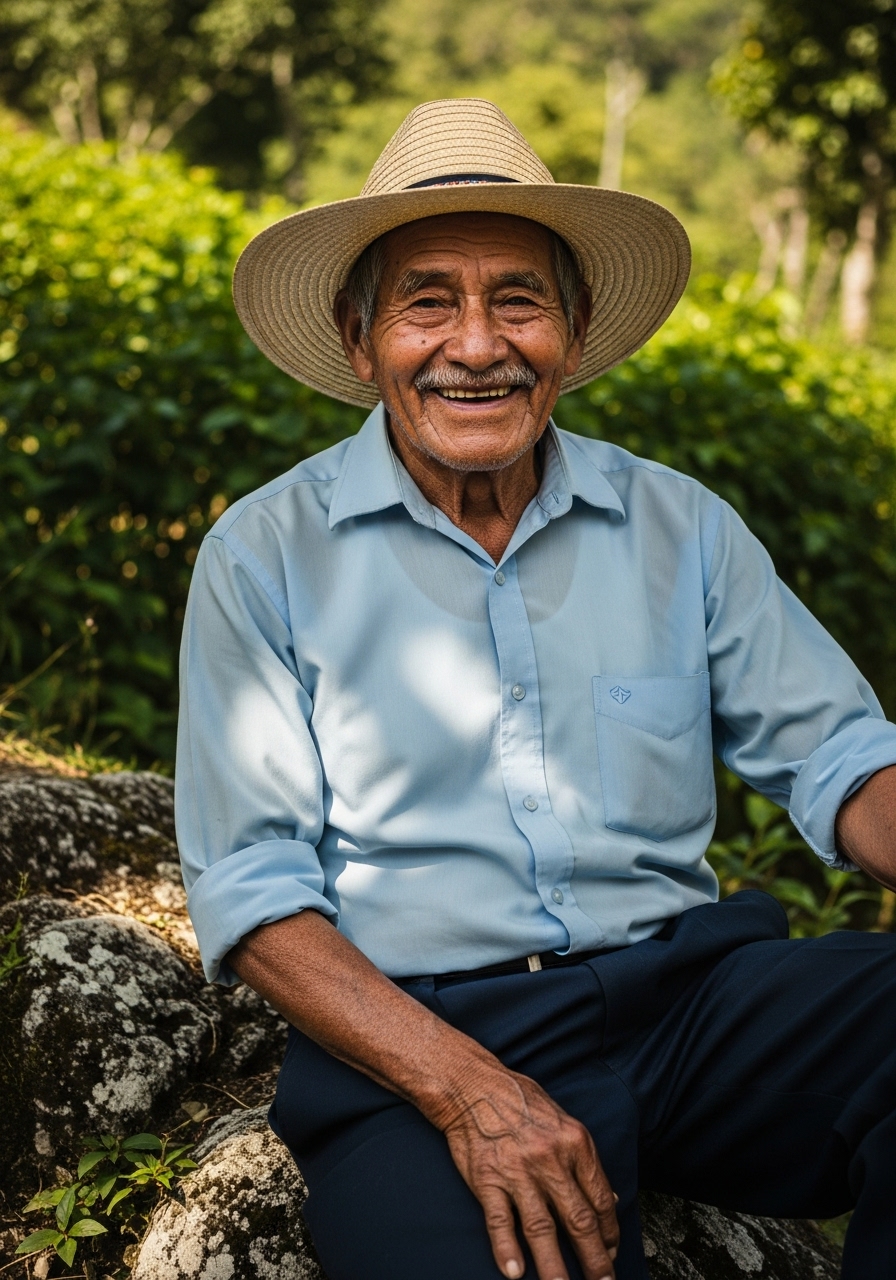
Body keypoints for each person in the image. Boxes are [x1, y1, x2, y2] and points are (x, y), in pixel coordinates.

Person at [175, 99, 896, 1280]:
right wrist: (469, 1093)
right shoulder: (266, 554)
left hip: (686, 1007)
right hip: (421, 1038)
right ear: (360, 343)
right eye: (426, 302)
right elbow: (253, 894)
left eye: (517, 298)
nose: (475, 344)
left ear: (573, 326)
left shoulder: (677, 525)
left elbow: (839, 755)